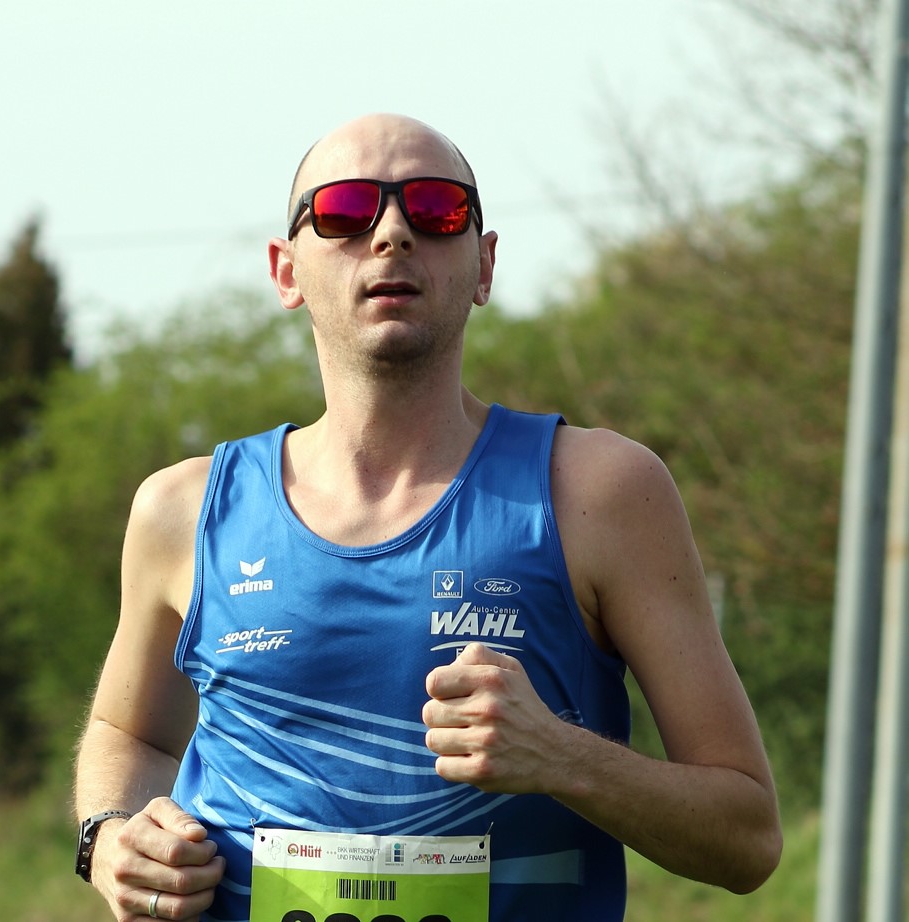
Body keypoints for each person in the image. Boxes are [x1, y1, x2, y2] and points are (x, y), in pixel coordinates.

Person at [73, 112, 782, 922]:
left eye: (437, 208)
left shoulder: (600, 493)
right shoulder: (184, 510)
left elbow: (747, 838)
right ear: (286, 271)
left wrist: (562, 757)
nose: (393, 233)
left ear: (485, 265)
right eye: (344, 210)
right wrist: (111, 837)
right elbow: (129, 735)